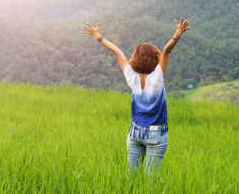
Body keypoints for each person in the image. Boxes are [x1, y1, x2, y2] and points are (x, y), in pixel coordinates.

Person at [82, 18, 191, 175]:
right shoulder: (157, 78)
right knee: (151, 181)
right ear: (155, 58)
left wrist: (98, 37)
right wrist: (177, 34)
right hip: (156, 133)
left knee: (131, 178)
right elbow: (167, 51)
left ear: (135, 58)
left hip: (134, 132)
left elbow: (118, 52)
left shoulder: (131, 77)